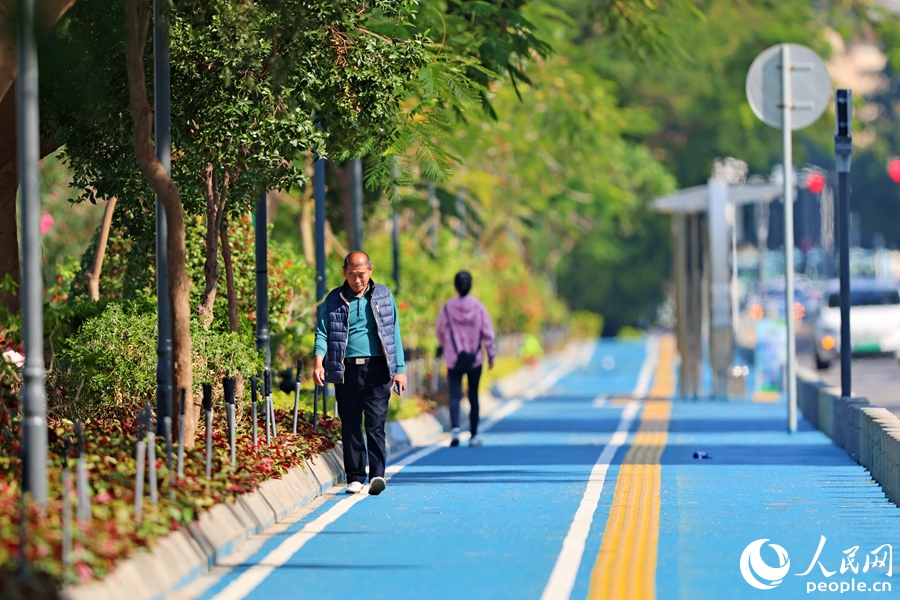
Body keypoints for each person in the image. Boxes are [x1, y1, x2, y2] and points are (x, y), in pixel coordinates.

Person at [313, 251, 407, 495]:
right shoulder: (334, 299)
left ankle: (377, 475)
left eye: (362, 275)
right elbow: (323, 333)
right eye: (353, 275)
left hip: (377, 369)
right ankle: (355, 476)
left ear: (370, 271)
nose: (358, 280)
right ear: (344, 272)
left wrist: (400, 370)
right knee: (351, 424)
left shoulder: (384, 295)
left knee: (375, 424)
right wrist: (318, 362)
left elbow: (393, 331)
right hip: (345, 370)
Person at [436, 271, 496, 447]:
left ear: (455, 286)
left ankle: (455, 430)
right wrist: (491, 355)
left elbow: (440, 330)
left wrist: (447, 345)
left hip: (454, 358)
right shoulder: (478, 307)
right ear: (470, 286)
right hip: (474, 358)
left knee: (454, 395)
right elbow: (487, 333)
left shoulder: (448, 308)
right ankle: (474, 434)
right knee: (473, 396)